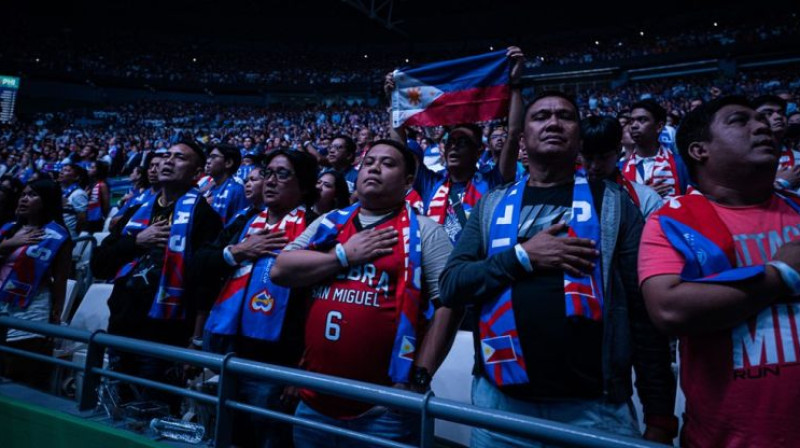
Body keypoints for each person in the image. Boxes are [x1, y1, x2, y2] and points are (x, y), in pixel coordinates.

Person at [439, 91, 677, 447]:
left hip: (595, 409)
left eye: (565, 116)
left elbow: (643, 315)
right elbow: (452, 285)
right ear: (522, 139)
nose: (553, 122)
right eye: (541, 116)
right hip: (500, 406)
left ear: (579, 137)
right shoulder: (491, 205)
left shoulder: (615, 204)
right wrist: (524, 258)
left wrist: (659, 413)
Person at [271, 140, 460, 448]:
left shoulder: (427, 231)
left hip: (385, 408)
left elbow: (449, 305)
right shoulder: (329, 223)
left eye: (388, 163)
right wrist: (342, 257)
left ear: (408, 181)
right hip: (314, 399)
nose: (374, 167)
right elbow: (281, 270)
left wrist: (421, 377)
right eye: (369, 161)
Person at [639, 96, 800, 446]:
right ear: (699, 151)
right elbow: (669, 309)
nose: (762, 126)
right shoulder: (673, 219)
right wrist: (780, 275)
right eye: (740, 121)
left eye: (763, 119)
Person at [199, 149, 319, 448]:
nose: (271, 181)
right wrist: (238, 251)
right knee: (228, 437)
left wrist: (303, 368)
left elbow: (318, 301)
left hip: (279, 363)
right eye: (268, 173)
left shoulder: (319, 227)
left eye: (283, 174)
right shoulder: (245, 223)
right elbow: (201, 261)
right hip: (231, 352)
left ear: (304, 186)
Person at [91, 139, 222, 409]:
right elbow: (99, 264)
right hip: (121, 327)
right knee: (112, 413)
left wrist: (195, 342)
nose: (168, 161)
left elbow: (206, 286)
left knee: (152, 416)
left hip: (165, 338)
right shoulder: (136, 211)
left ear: (197, 173)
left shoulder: (205, 217)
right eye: (166, 155)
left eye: (180, 158)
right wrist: (137, 241)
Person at [384, 46, 523, 244]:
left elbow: (514, 134)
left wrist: (516, 84)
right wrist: (394, 103)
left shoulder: (493, 181)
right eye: (451, 142)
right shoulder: (431, 183)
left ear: (479, 151)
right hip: (437, 270)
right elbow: (398, 151)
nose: (454, 147)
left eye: (463, 142)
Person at [0, 179, 71, 389]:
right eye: (23, 194)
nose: (24, 199)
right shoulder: (8, 229)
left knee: (20, 371)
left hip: (31, 308)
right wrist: (9, 244)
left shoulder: (59, 235)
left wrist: (56, 316)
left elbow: (60, 280)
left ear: (47, 200)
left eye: (32, 195)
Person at [579, 116, 662, 217]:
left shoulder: (646, 199)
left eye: (603, 158)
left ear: (618, 150)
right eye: (588, 158)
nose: (595, 166)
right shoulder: (569, 195)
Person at [622, 99, 690, 199]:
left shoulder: (681, 164)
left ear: (659, 127)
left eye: (642, 120)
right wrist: (644, 195)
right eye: (631, 121)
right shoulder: (620, 168)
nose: (634, 126)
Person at [754, 95, 800, 191]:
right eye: (768, 113)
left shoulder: (798, 157)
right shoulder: (743, 160)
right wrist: (781, 182)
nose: (778, 117)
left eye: (781, 113)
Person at [204, 143, 247, 225]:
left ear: (228, 163)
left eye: (213, 157)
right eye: (209, 157)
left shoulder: (237, 191)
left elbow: (239, 227)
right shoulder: (209, 190)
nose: (208, 161)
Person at [58, 163, 89, 238]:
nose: (61, 172)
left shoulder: (78, 194)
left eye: (67, 170)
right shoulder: (59, 191)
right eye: (62, 170)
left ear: (76, 177)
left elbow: (82, 219)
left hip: (70, 235)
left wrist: (76, 236)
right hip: (59, 231)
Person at [86, 161, 111, 233]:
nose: (89, 169)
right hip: (89, 217)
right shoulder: (91, 184)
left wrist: (104, 218)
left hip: (97, 220)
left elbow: (106, 205)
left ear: (99, 171)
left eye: (92, 167)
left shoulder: (102, 185)